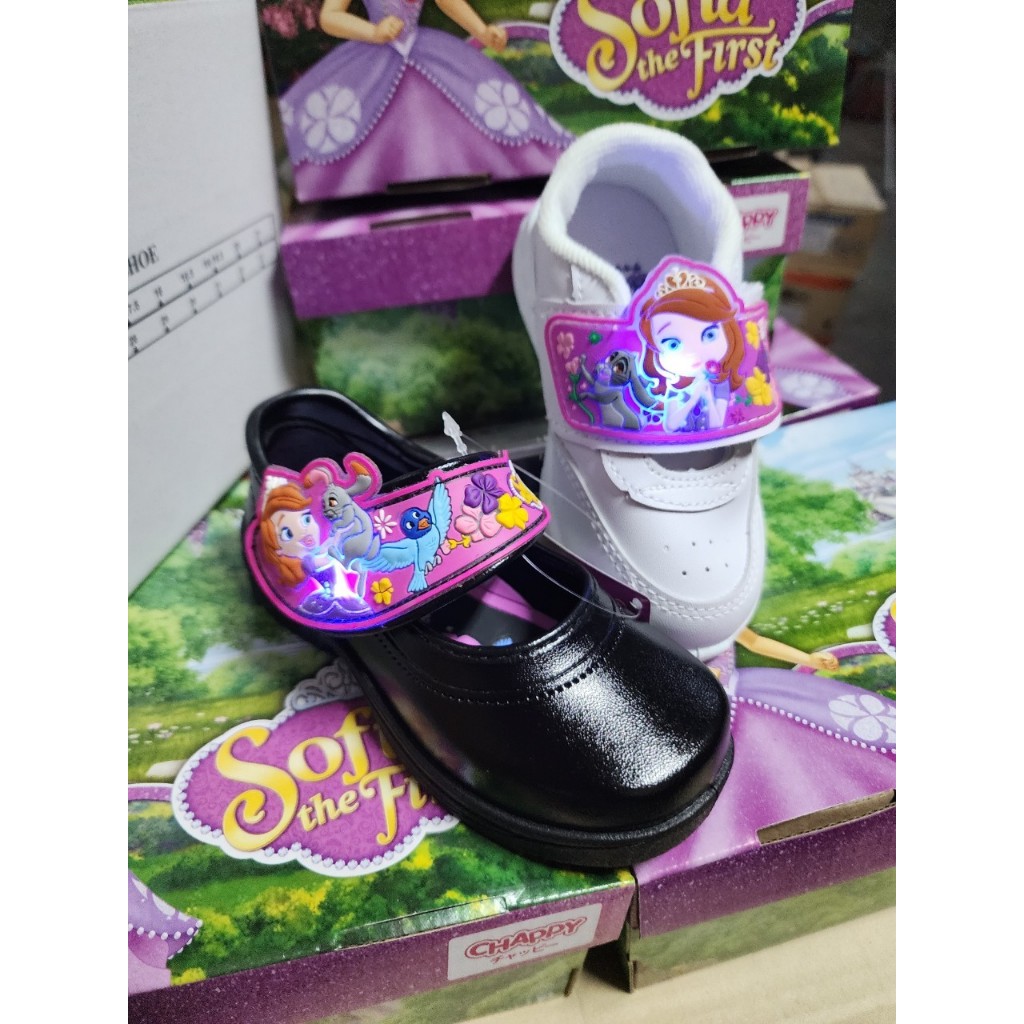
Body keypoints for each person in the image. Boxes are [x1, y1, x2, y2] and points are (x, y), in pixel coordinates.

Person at [277, 0, 573, 200]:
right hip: (374, 57)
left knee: (466, 104)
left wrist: (482, 31)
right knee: (347, 119)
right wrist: (372, 31)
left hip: (424, 50)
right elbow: (329, 16)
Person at [638, 269, 748, 432]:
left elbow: (717, 424)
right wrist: (693, 398)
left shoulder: (719, 385)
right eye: (673, 345)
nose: (694, 353)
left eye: (710, 335)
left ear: (729, 330)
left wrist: (707, 397)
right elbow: (671, 425)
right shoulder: (675, 386)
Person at [257, 481, 371, 617]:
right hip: (329, 599)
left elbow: (327, 546)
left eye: (306, 520)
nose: (303, 531)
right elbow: (326, 559)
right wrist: (335, 546)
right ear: (278, 550)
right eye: (288, 534)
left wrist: (338, 535)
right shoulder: (307, 561)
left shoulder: (316, 551)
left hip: (341, 594)